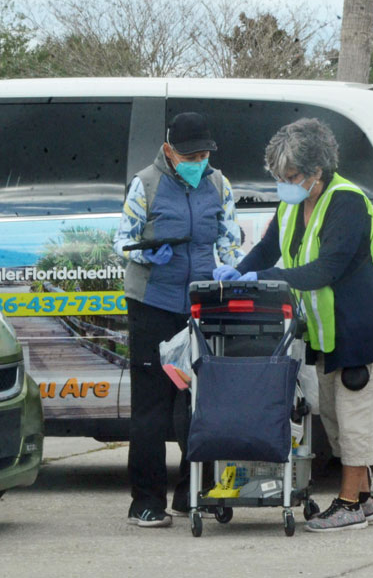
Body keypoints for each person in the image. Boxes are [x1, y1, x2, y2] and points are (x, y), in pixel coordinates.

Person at [215, 117, 373, 531]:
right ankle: (364, 497)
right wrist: (238, 271)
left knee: (356, 416)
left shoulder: (348, 202)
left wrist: (266, 279)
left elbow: (327, 268)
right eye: (279, 177)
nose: (283, 184)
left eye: (290, 176)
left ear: (316, 172)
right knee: (335, 418)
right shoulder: (294, 203)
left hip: (368, 329)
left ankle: (348, 506)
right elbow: (270, 248)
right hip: (331, 331)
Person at [114, 112, 243, 527]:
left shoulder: (219, 184)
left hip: (201, 304)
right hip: (153, 304)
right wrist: (144, 252)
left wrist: (232, 271)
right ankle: (147, 500)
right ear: (169, 151)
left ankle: (193, 493)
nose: (198, 160)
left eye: (204, 154)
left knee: (198, 403)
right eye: (190, 154)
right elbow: (123, 239)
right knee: (152, 407)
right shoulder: (145, 184)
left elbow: (228, 238)